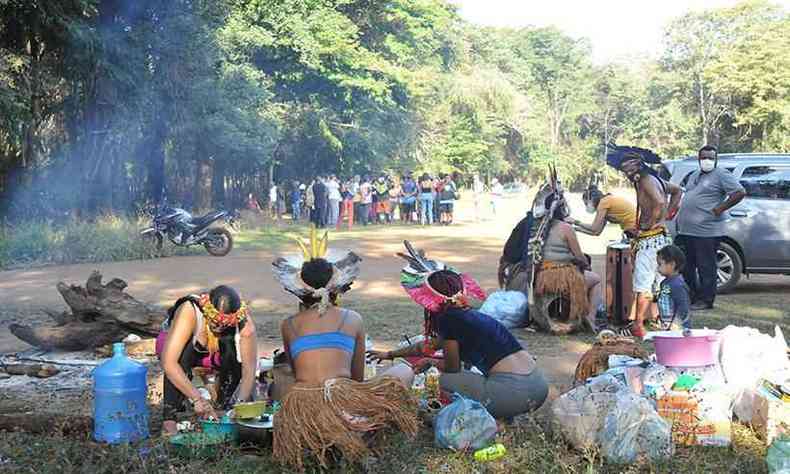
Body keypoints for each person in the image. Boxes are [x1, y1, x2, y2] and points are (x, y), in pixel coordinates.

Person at [271, 229, 418, 469]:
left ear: (299, 289)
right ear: (337, 286)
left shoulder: (288, 325)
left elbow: (297, 374)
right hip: (343, 404)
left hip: (301, 411)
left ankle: (333, 438)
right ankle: (359, 436)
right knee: (403, 371)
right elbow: (357, 379)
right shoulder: (353, 319)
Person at [370, 242, 549, 420]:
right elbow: (427, 346)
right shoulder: (466, 316)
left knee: (435, 379)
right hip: (538, 386)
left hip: (514, 392)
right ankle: (504, 413)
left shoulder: (448, 318)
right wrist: (391, 354)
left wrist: (430, 363)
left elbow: (452, 367)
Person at [159, 286, 258, 435]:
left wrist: (240, 406)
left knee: (234, 358)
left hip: (211, 354)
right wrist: (197, 399)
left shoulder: (244, 322)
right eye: (215, 322)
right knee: (180, 360)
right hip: (174, 349)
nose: (218, 327)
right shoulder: (190, 310)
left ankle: (222, 406)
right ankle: (169, 419)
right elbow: (169, 363)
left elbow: (249, 369)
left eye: (224, 325)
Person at [606, 144, 682, 337]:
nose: (626, 172)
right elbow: (678, 191)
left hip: (650, 241)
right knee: (661, 282)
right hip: (661, 239)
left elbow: (658, 201)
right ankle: (667, 322)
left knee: (643, 285)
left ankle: (638, 325)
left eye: (629, 167)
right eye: (623, 169)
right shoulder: (654, 179)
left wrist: (655, 221)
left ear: (639, 164)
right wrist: (669, 216)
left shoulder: (647, 180)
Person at [675, 145, 746, 311]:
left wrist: (720, 208)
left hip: (706, 231)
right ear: (699, 159)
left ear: (715, 160)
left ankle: (706, 300)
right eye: (704, 157)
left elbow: (739, 192)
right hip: (687, 230)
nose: (707, 160)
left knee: (706, 266)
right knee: (687, 266)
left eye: (710, 158)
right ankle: (693, 297)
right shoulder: (694, 174)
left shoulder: (721, 174)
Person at [567, 183, 637, 239]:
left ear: (591, 200)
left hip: (633, 227)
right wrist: (575, 229)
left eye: (586, 203)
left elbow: (593, 227)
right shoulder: (605, 204)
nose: (586, 206)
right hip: (633, 226)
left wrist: (575, 222)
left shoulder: (604, 203)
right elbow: (596, 232)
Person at [655, 245, 692, 331]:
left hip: (679, 330)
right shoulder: (664, 283)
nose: (657, 268)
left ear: (672, 264)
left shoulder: (678, 285)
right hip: (667, 326)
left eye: (660, 264)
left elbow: (683, 308)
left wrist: (675, 324)